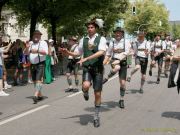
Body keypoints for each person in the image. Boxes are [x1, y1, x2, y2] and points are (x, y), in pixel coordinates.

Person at [60, 18, 106, 127]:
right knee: (85, 85)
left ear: (96, 28)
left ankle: (96, 116)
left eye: (92, 27)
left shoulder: (101, 39)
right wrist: (67, 52)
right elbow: (77, 53)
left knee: (97, 93)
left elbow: (101, 52)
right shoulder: (83, 40)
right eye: (88, 28)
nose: (89, 29)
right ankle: (85, 91)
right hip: (87, 68)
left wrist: (86, 58)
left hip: (98, 69)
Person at [103, 27, 131, 108]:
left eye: (119, 32)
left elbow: (127, 52)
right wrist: (104, 63)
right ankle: (106, 78)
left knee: (122, 83)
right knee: (117, 68)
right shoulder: (112, 42)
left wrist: (119, 59)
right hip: (114, 61)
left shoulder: (126, 42)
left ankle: (121, 99)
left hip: (123, 61)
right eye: (116, 32)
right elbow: (108, 53)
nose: (117, 34)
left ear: (122, 34)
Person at [24, 30, 48, 104]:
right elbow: (25, 53)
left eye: (38, 35)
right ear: (33, 36)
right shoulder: (30, 43)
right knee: (34, 81)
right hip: (32, 64)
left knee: (38, 80)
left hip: (40, 63)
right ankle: (40, 95)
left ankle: (35, 95)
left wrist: (37, 51)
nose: (36, 36)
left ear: (40, 36)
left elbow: (46, 52)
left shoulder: (43, 42)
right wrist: (27, 47)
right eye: (35, 35)